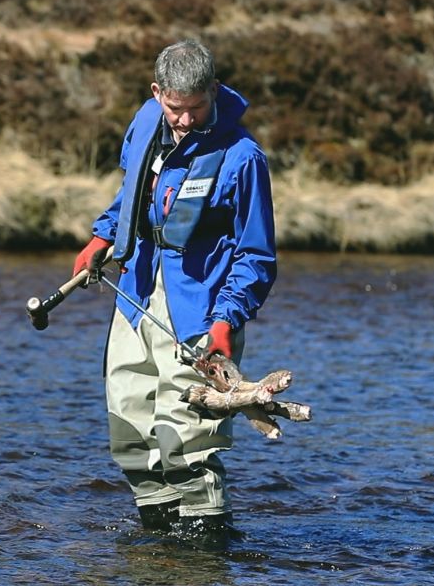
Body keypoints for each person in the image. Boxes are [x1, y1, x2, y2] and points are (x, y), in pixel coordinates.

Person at [73, 39, 276, 548]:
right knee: (130, 428)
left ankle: (205, 555)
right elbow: (131, 193)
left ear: (213, 90)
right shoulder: (146, 122)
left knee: (187, 440)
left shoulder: (243, 158)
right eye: (174, 109)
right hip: (136, 296)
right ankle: (156, 555)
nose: (184, 121)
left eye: (196, 108)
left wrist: (226, 323)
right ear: (157, 92)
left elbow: (256, 257)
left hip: (201, 312)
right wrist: (102, 236)